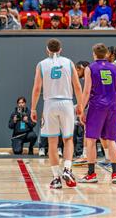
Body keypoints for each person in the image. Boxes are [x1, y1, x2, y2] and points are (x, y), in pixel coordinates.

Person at [31, 38, 83, 189]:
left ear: (47, 50)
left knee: (52, 142)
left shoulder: (41, 64)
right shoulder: (69, 62)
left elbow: (36, 89)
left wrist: (33, 108)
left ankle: (56, 178)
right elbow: (77, 86)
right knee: (68, 139)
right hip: (66, 103)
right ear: (60, 49)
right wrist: (79, 104)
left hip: (49, 104)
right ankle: (67, 168)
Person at [79, 43, 116, 184]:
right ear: (106, 54)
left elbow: (86, 91)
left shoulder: (90, 68)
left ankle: (91, 174)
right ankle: (115, 174)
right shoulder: (115, 68)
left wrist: (81, 108)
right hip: (112, 107)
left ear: (94, 54)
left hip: (96, 107)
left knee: (91, 140)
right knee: (111, 141)